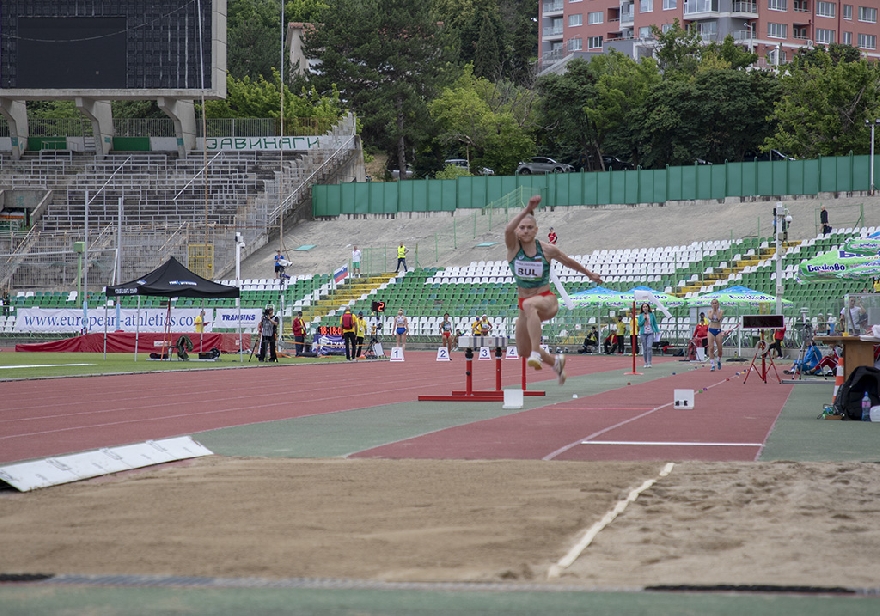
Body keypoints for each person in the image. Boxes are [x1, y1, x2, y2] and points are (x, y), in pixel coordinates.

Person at [505, 194, 602, 384]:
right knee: (521, 350)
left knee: (531, 305)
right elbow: (508, 228)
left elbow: (568, 262)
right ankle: (556, 363)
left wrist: (589, 274)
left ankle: (536, 353)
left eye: (529, 228)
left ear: (536, 230)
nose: (525, 231)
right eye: (522, 228)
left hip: (547, 300)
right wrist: (526, 210)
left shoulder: (547, 250)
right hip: (523, 306)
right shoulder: (513, 249)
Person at [637, 303, 659, 368]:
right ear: (642, 308)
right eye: (643, 307)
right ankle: (646, 362)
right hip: (643, 333)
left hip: (650, 333)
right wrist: (644, 319)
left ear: (648, 307)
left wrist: (657, 330)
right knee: (645, 348)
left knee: (649, 347)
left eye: (646, 307)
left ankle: (649, 362)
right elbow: (639, 324)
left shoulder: (651, 315)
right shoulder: (641, 316)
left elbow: (654, 323)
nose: (645, 308)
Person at [706, 299, 724, 371]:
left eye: (715, 303)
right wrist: (713, 309)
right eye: (713, 303)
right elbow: (710, 317)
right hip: (711, 330)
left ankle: (719, 359)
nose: (714, 304)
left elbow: (719, 318)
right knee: (711, 348)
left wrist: (716, 310)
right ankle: (712, 364)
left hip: (718, 330)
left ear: (718, 304)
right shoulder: (709, 311)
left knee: (720, 349)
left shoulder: (721, 311)